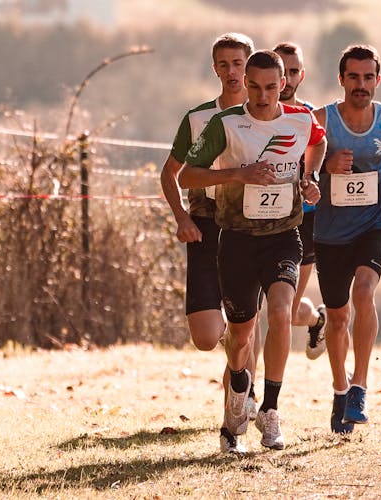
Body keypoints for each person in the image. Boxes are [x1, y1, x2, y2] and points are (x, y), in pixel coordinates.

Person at [179, 50, 326, 450]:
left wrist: (308, 177)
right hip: (237, 241)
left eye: (272, 87)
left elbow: (318, 140)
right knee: (241, 337)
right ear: (245, 83)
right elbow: (187, 176)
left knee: (280, 312)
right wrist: (238, 174)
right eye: (255, 87)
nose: (263, 96)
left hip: (283, 236)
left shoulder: (299, 118)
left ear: (284, 85)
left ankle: (271, 411)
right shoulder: (224, 124)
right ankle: (237, 396)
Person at [311, 44, 381, 434]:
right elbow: (298, 163)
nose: (361, 84)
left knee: (364, 293)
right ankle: (340, 389)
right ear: (341, 79)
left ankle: (360, 387)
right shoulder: (320, 120)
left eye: (368, 77)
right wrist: (325, 164)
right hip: (328, 233)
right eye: (353, 77)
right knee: (338, 318)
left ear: (378, 79)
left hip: (374, 225)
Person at [158, 32, 257, 453]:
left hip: (250, 228)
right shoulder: (198, 119)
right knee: (205, 336)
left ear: (250, 65)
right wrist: (181, 217)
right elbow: (170, 173)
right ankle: (240, 375)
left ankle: (232, 424)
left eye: (239, 63)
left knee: (242, 331)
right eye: (224, 64)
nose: (232, 72)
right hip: (203, 225)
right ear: (214, 68)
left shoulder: (269, 116)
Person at [273, 42, 327, 360]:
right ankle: (248, 388)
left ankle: (318, 320)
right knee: (253, 309)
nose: (287, 78)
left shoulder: (306, 116)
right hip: (259, 218)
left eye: (293, 71)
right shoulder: (251, 114)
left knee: (289, 312)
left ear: (301, 75)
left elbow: (321, 151)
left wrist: (313, 178)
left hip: (303, 220)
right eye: (283, 70)